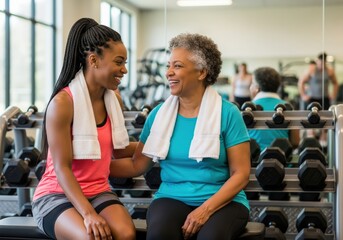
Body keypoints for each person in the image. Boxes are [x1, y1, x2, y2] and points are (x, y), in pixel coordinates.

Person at [110, 33, 251, 240]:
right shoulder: (158, 115)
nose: (168, 73)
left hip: (223, 201)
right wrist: (89, 165)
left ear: (201, 72)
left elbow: (241, 173)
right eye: (168, 66)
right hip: (171, 197)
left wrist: (205, 210)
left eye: (177, 66)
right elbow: (137, 165)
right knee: (159, 235)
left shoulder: (228, 113)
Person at [32, 18, 136, 240]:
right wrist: (89, 214)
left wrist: (160, 144)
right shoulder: (63, 104)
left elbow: (119, 150)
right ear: (93, 60)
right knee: (90, 237)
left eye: (125, 62)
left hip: (98, 191)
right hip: (56, 194)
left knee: (126, 234)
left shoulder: (113, 100)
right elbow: (62, 168)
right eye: (119, 62)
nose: (124, 70)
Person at [249, 67, 300, 151]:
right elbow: (295, 142)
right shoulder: (288, 107)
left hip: (254, 162)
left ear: (257, 87)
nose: (250, 87)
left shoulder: (246, 110)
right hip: (282, 161)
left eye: (252, 83)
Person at [298, 52, 339, 144]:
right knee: (310, 118)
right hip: (312, 98)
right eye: (320, 63)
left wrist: (333, 94)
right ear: (317, 62)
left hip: (324, 97)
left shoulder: (329, 71)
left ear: (325, 62)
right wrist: (303, 95)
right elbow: (301, 82)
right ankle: (311, 139)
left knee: (325, 118)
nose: (321, 65)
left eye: (323, 63)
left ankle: (323, 140)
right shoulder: (311, 70)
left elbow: (335, 83)